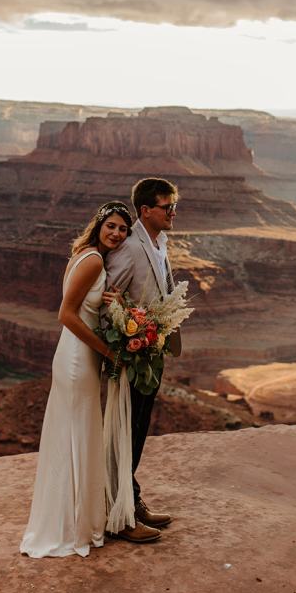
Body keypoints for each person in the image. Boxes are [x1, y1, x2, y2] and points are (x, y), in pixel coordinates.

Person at [20, 200, 133, 558]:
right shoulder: (95, 260)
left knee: (73, 433)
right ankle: (71, 528)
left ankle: (70, 519)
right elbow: (66, 314)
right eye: (111, 226)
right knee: (77, 433)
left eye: (123, 230)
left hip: (75, 354)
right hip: (77, 358)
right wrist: (108, 351)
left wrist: (111, 306)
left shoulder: (84, 255)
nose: (116, 233)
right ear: (99, 225)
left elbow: (85, 306)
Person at [104, 176, 179, 543]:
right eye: (167, 207)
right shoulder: (131, 248)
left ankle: (130, 501)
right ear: (145, 210)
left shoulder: (160, 241)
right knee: (126, 434)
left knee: (138, 431)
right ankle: (120, 516)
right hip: (133, 356)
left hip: (153, 350)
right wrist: (127, 335)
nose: (173, 214)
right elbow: (107, 299)